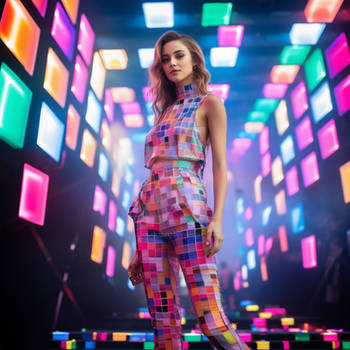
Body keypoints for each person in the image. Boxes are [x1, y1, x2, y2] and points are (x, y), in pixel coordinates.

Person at [127, 31, 250, 350]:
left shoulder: (209, 103)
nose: (171, 63)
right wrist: (139, 247)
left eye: (179, 55)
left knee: (211, 321)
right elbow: (153, 174)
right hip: (149, 220)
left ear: (195, 59)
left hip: (189, 214)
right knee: (163, 326)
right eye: (165, 59)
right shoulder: (163, 112)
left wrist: (218, 219)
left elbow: (220, 166)